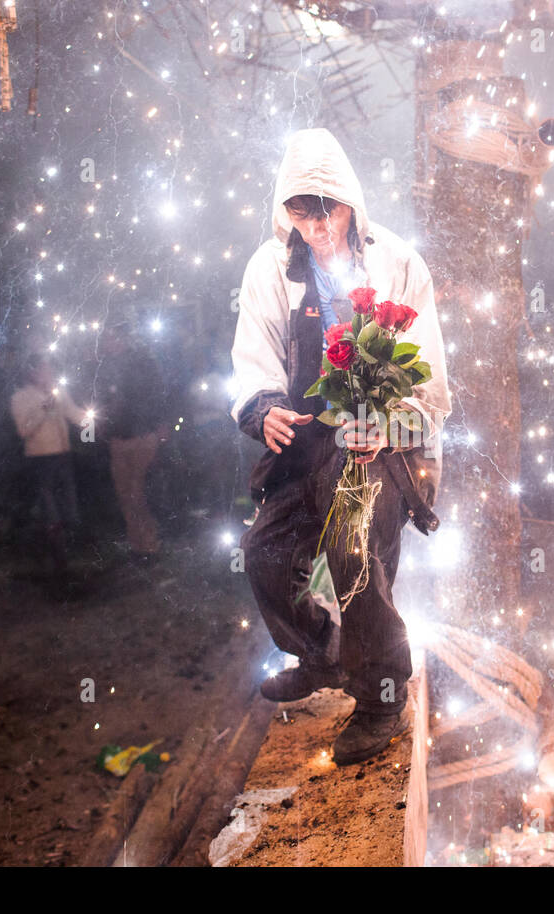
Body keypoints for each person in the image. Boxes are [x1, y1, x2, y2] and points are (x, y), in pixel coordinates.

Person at [230, 128, 450, 765]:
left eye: (327, 208)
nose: (317, 225)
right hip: (304, 438)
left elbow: (430, 374)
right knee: (263, 554)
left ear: (352, 202)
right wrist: (262, 408)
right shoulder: (268, 267)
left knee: (352, 549)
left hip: (374, 442)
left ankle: (382, 695)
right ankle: (319, 653)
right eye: (302, 211)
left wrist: (393, 422)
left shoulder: (398, 263)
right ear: (285, 211)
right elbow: (253, 356)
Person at [11, 353, 90, 582]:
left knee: (68, 510)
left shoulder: (59, 392)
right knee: (50, 512)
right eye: (45, 369)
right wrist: (43, 409)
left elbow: (73, 412)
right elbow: (24, 430)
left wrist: (92, 419)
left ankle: (64, 558)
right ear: (33, 372)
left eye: (51, 369)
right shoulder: (20, 397)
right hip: (40, 460)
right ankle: (59, 564)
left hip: (63, 457)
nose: (50, 374)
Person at [95, 321, 167, 562]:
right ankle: (138, 545)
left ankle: (149, 543)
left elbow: (157, 393)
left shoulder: (143, 362)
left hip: (141, 436)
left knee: (137, 490)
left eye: (111, 337)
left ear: (122, 339)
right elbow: (105, 399)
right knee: (125, 493)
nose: (107, 343)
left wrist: (159, 426)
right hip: (119, 438)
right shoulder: (106, 367)